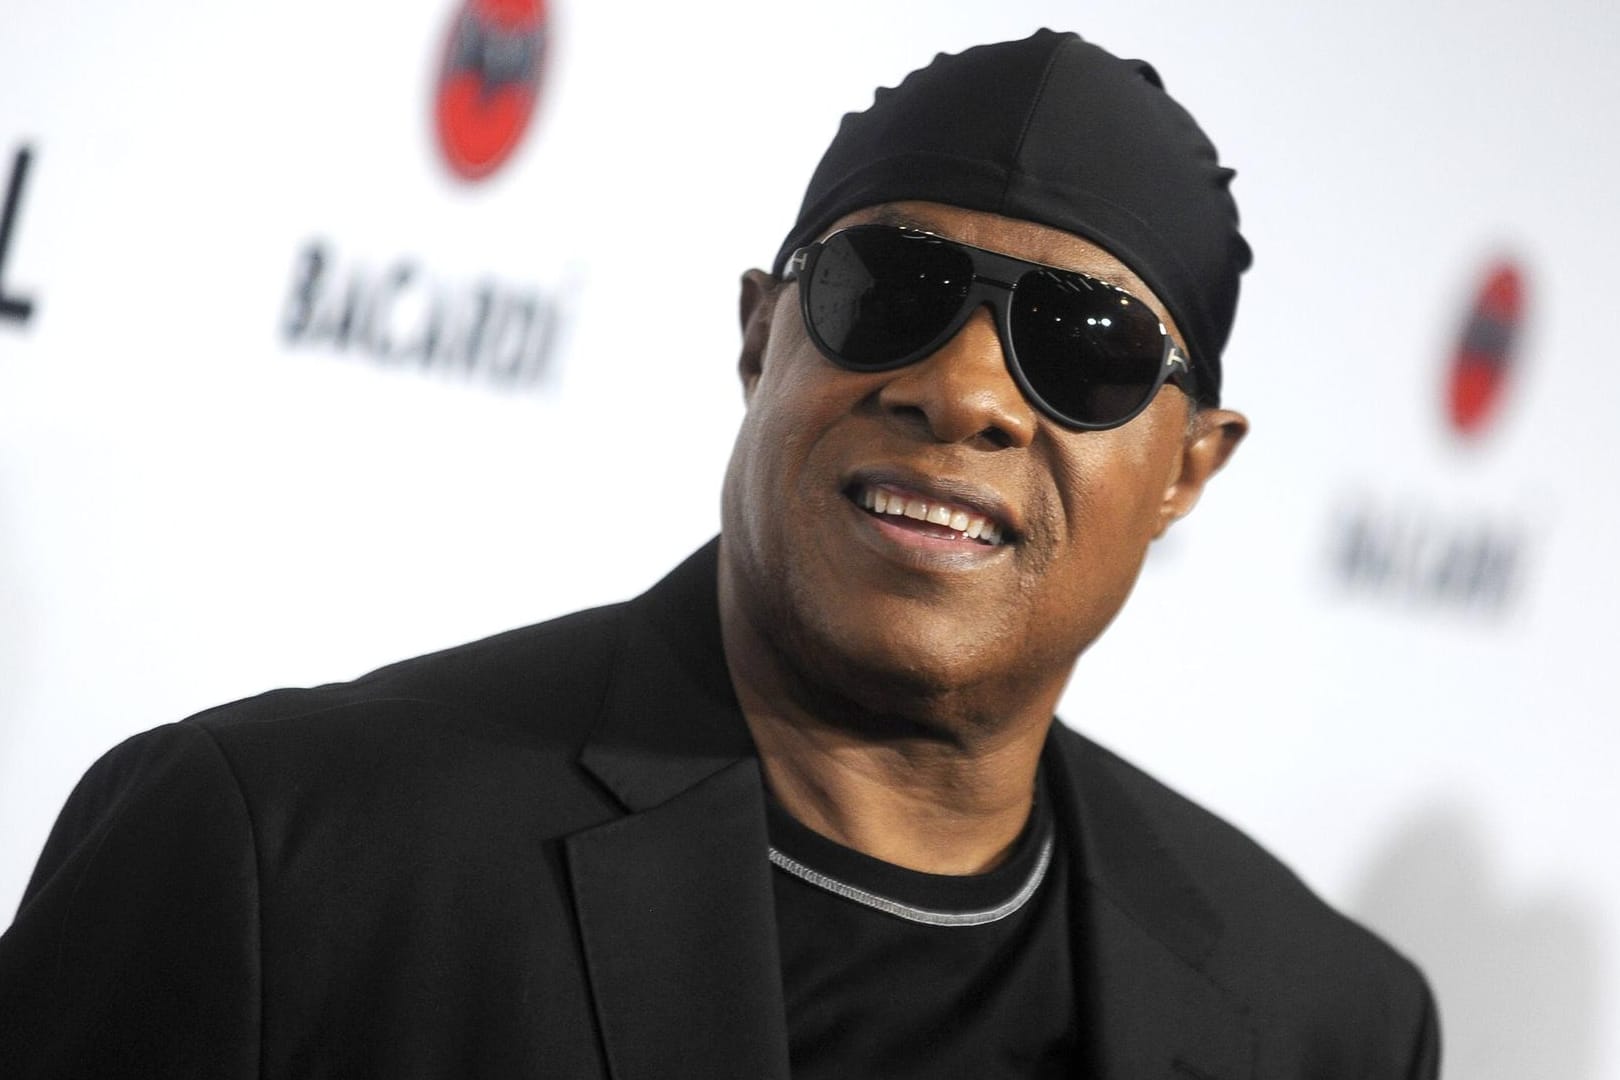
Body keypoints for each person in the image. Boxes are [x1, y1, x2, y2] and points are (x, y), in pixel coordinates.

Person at [0, 30, 1438, 1079]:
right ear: (762, 339)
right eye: (890, 290)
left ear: (1189, 467)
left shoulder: (1328, 1024)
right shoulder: (281, 854)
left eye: (1085, 347)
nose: (964, 393)